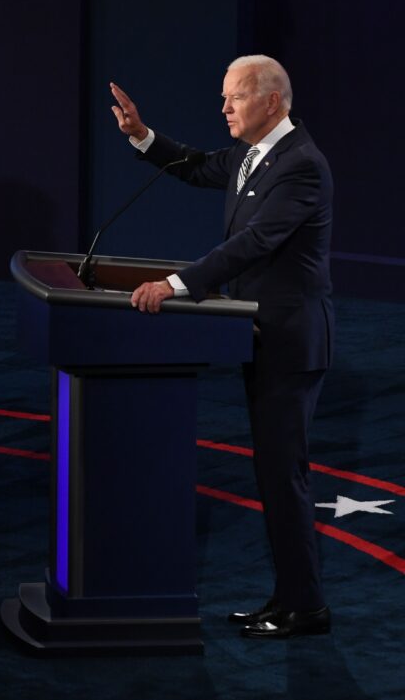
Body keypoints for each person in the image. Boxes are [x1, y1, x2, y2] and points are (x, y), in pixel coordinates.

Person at [110, 55, 333, 639]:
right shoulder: (251, 154)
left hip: (289, 343)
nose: (225, 108)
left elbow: (257, 241)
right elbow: (197, 165)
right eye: (224, 96)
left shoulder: (301, 166)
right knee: (273, 475)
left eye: (235, 97)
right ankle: (289, 598)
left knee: (284, 477)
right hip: (260, 335)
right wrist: (142, 136)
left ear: (273, 102)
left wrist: (179, 284)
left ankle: (305, 606)